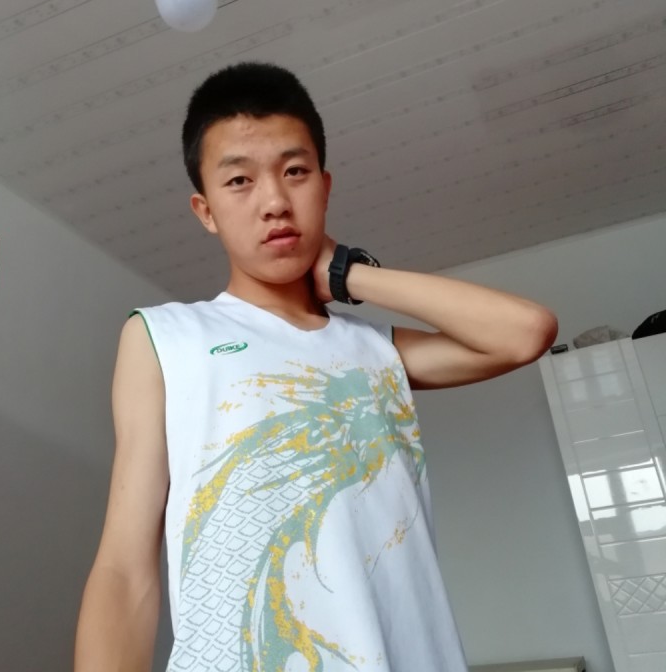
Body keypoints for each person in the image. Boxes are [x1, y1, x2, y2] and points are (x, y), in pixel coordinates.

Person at [74, 62, 557, 672]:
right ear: (205, 210)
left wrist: (351, 273)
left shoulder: (375, 350)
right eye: (239, 181)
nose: (275, 202)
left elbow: (525, 333)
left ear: (325, 187)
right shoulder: (167, 336)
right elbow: (124, 567)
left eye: (295, 172)